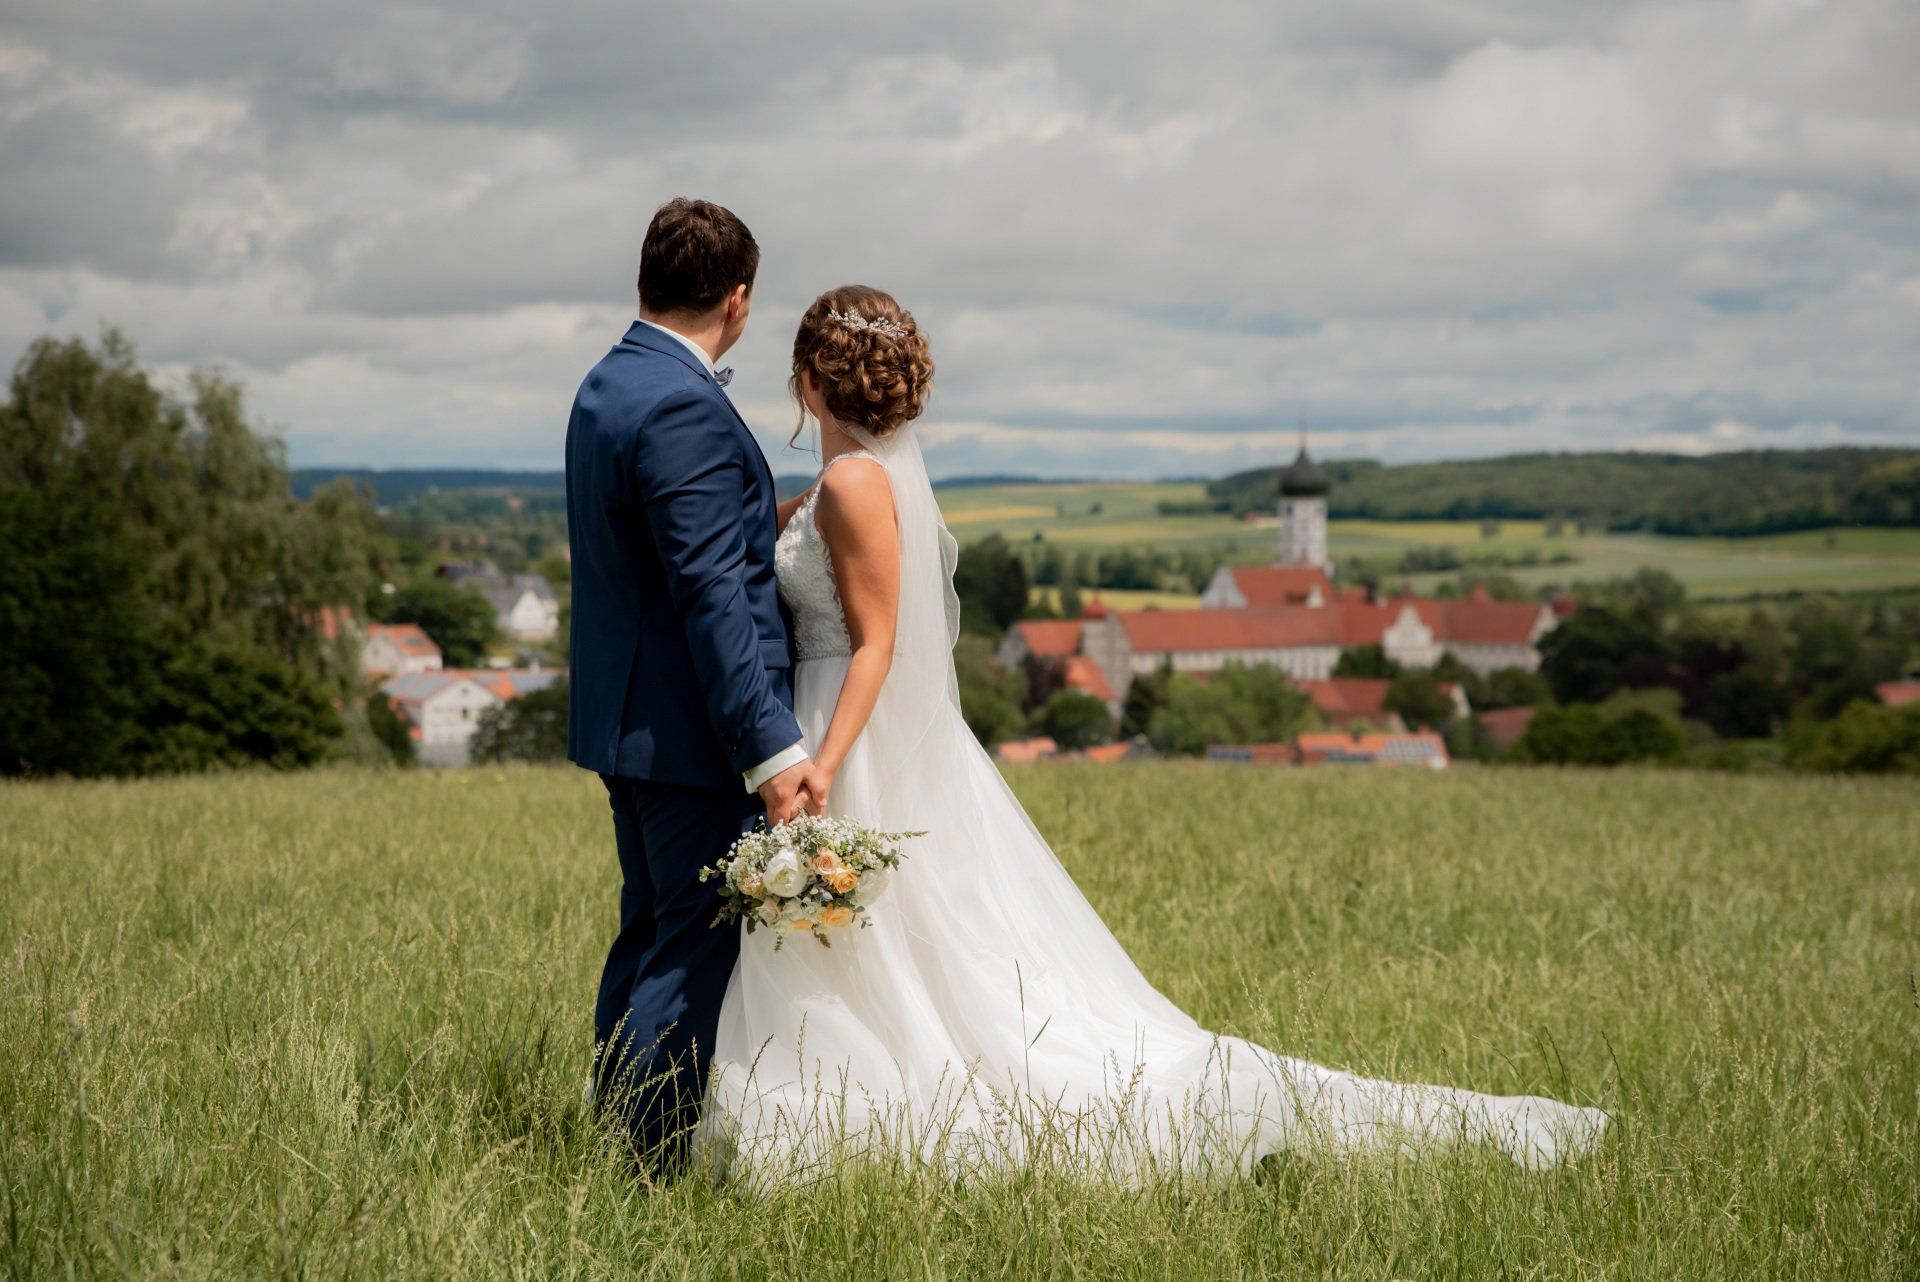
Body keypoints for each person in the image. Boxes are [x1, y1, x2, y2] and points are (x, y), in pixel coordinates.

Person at [693, 284, 1610, 1185]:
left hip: (844, 729)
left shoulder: (854, 484)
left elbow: (877, 644)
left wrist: (822, 764)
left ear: (811, 380)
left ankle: (861, 1095)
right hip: (840, 723)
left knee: (863, 925)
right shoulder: (847, 484)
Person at [563, 198, 827, 1169]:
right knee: (688, 950)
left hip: (625, 724)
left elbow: (662, 550)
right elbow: (711, 595)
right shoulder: (681, 403)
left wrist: (762, 519)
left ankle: (613, 1143)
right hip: (687, 738)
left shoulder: (609, 383)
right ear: (738, 297)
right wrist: (769, 744)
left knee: (648, 935)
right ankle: (647, 1169)